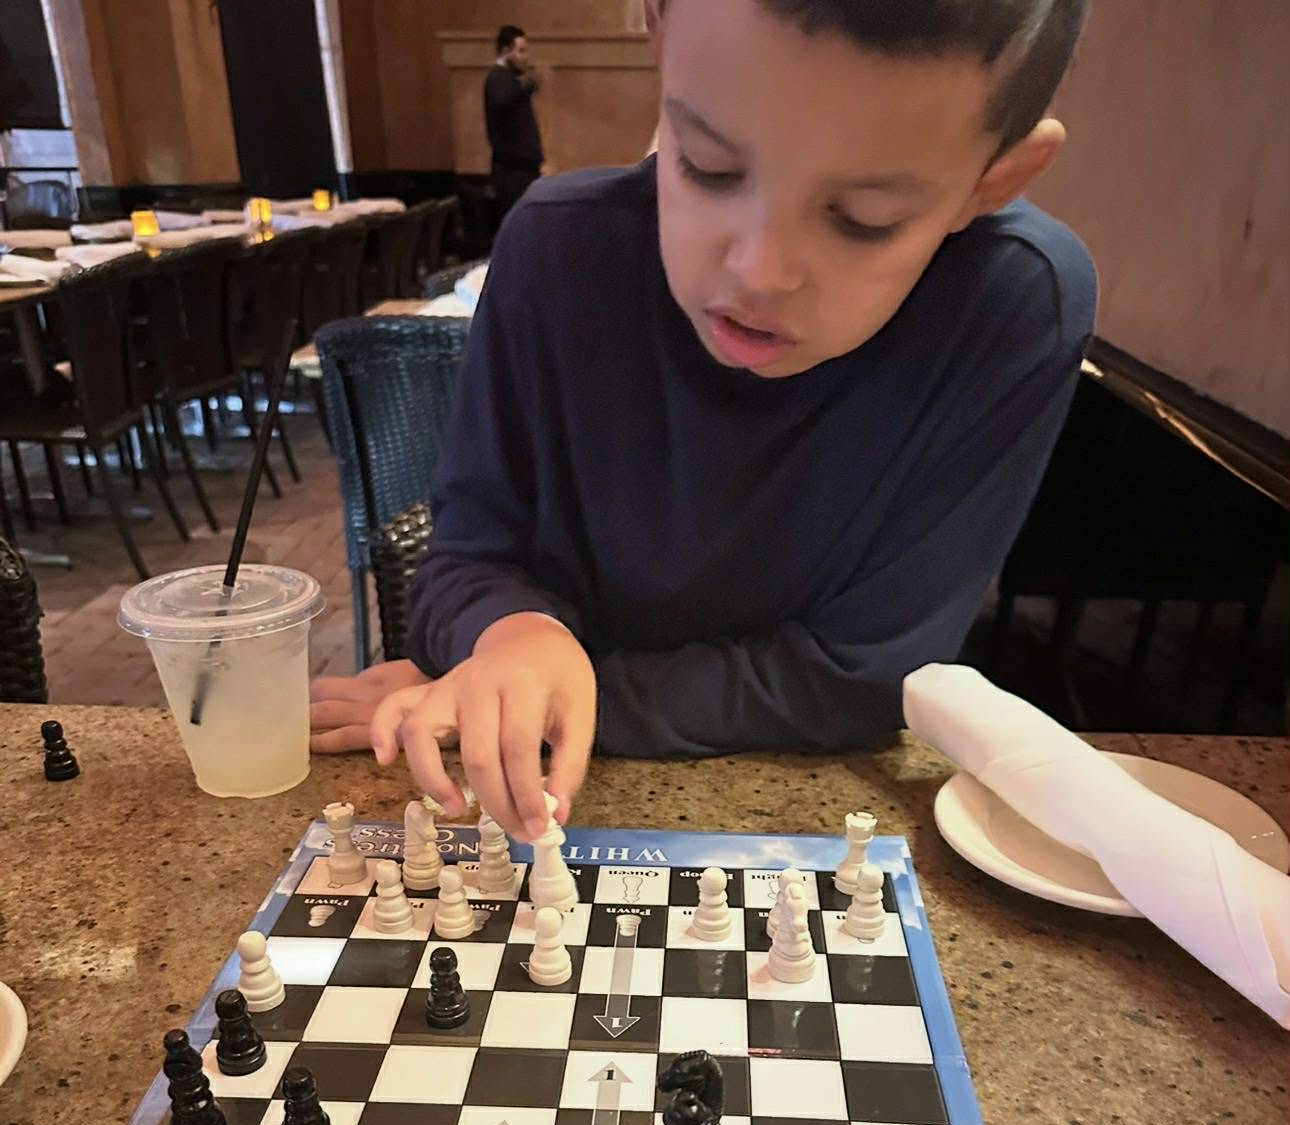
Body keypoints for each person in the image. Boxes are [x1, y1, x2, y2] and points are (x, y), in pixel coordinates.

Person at [312, 0, 1097, 843]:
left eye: (863, 219)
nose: (759, 267)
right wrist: (515, 638)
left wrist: (546, 702)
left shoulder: (1016, 301)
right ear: (657, 28)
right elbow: (465, 560)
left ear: (995, 180)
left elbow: (866, 674)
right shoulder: (555, 251)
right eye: (708, 165)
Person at [485, 25, 544, 220]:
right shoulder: (497, 78)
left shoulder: (509, 79)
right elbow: (502, 100)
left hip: (523, 170)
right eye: (520, 51)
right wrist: (525, 86)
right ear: (505, 52)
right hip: (512, 173)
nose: (525, 57)